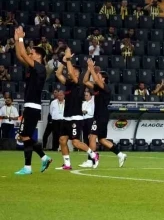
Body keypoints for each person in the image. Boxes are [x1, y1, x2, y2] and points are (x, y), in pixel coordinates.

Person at [12, 27, 52, 174]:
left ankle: (40, 160)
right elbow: (19, 55)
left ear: (39, 56)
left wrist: (21, 38)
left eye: (32, 53)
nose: (30, 54)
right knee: (25, 136)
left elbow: (23, 53)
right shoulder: (33, 68)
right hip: (31, 106)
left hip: (32, 107)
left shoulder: (41, 68)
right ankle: (35, 163)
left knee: (24, 136)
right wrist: (17, 40)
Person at [54, 48, 100, 171]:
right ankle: (67, 164)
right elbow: (58, 74)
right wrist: (63, 62)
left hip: (76, 117)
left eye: (73, 70)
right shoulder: (68, 83)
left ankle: (93, 154)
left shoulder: (78, 82)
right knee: (62, 140)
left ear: (77, 73)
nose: (70, 71)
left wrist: (68, 59)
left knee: (75, 142)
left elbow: (71, 74)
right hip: (66, 117)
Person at [80, 60, 127, 168]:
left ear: (103, 78)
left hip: (101, 115)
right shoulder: (97, 87)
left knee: (92, 136)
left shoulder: (106, 87)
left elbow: (95, 79)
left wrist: (92, 67)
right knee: (102, 139)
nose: (96, 76)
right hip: (101, 115)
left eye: (99, 75)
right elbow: (85, 81)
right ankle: (120, 154)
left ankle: (91, 160)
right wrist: (88, 70)